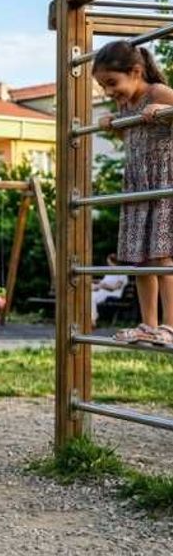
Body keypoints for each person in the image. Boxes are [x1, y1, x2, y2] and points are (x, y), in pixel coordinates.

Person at [94, 40, 173, 346]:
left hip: (163, 181)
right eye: (104, 86)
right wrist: (112, 124)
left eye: (112, 83)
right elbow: (129, 129)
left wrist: (166, 110)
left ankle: (169, 324)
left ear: (136, 71)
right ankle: (148, 324)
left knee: (162, 255)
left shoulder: (157, 93)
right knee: (139, 259)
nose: (109, 91)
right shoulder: (124, 104)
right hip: (138, 184)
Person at [92, 254, 129, 327]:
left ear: (115, 262)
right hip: (103, 291)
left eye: (109, 263)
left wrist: (102, 285)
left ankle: (93, 319)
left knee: (91, 297)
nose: (109, 264)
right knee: (88, 294)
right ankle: (91, 319)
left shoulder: (122, 273)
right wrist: (98, 284)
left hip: (112, 294)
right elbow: (103, 282)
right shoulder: (110, 272)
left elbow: (114, 288)